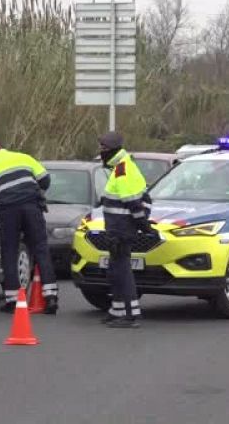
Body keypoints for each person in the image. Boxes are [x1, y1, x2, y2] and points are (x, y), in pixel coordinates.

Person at [0, 143, 58, 314]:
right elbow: (45, 180)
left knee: (9, 252)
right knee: (41, 249)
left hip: (8, 211)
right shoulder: (23, 157)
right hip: (32, 207)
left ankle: (13, 300)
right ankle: (51, 297)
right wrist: (36, 192)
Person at [98, 132, 156, 328]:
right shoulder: (121, 166)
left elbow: (133, 203)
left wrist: (144, 227)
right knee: (115, 271)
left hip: (122, 230)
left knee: (122, 271)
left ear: (114, 149)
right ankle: (117, 311)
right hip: (118, 228)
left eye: (104, 148)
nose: (101, 152)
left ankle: (130, 315)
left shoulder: (123, 169)